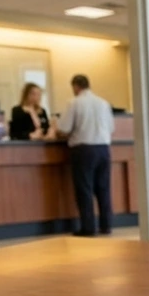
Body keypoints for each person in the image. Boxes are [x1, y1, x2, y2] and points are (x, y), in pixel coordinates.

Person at [56, 74, 115, 236]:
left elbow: (64, 128)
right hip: (103, 148)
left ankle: (88, 227)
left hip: (83, 149)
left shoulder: (74, 103)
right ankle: (106, 225)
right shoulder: (103, 103)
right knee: (103, 188)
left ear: (75, 86)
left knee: (84, 188)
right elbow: (111, 127)